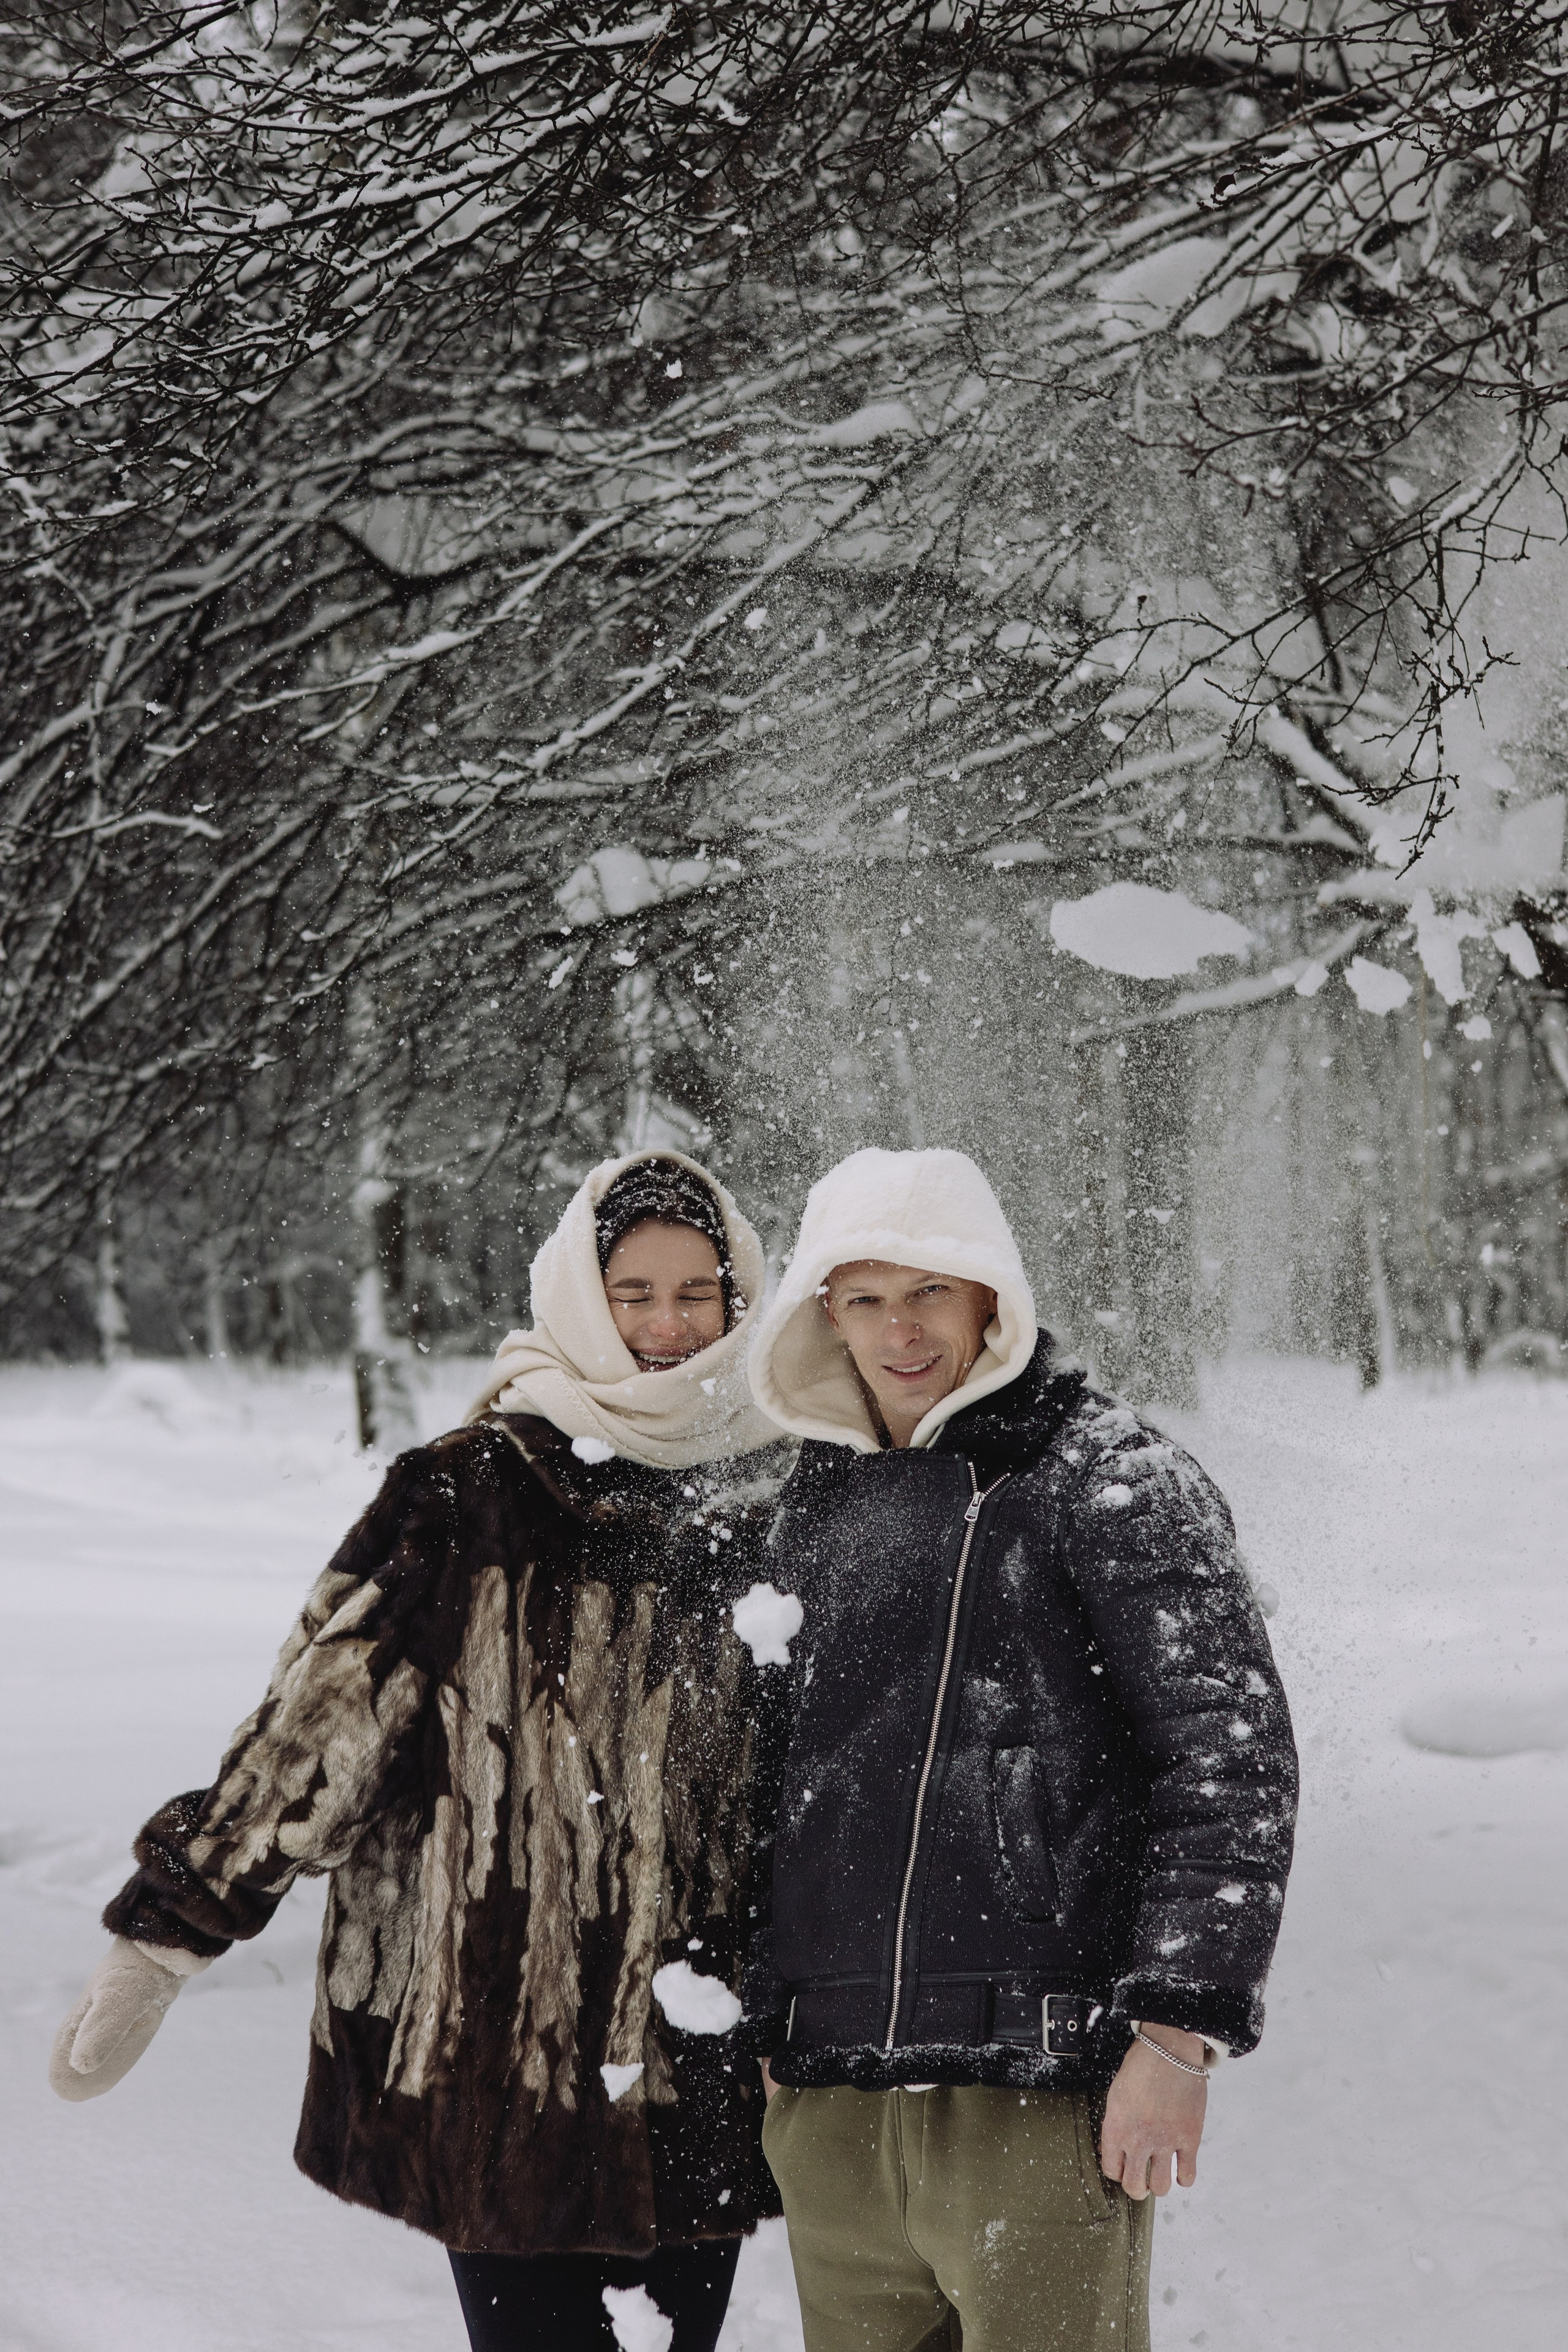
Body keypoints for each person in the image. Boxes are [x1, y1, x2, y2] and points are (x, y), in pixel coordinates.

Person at [50, 1150, 791, 2352]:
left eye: (694, 1291)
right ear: (575, 1294)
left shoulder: (789, 1490)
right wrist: (175, 1924)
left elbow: (840, 1774)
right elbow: (322, 1721)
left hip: (696, 2056)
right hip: (496, 2057)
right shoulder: (474, 1490)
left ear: (737, 1296)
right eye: (633, 1291)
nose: (665, 1323)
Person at [741, 1147, 1298, 2352]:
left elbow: (1228, 1762)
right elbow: (764, 1779)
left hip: (1035, 2089)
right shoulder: (810, 1505)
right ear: (822, 1311)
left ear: (990, 1295)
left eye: (929, 1292)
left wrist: (1172, 2034)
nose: (899, 1330)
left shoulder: (1112, 1478)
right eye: (865, 1297)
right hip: (833, 2101)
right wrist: (768, 2019)